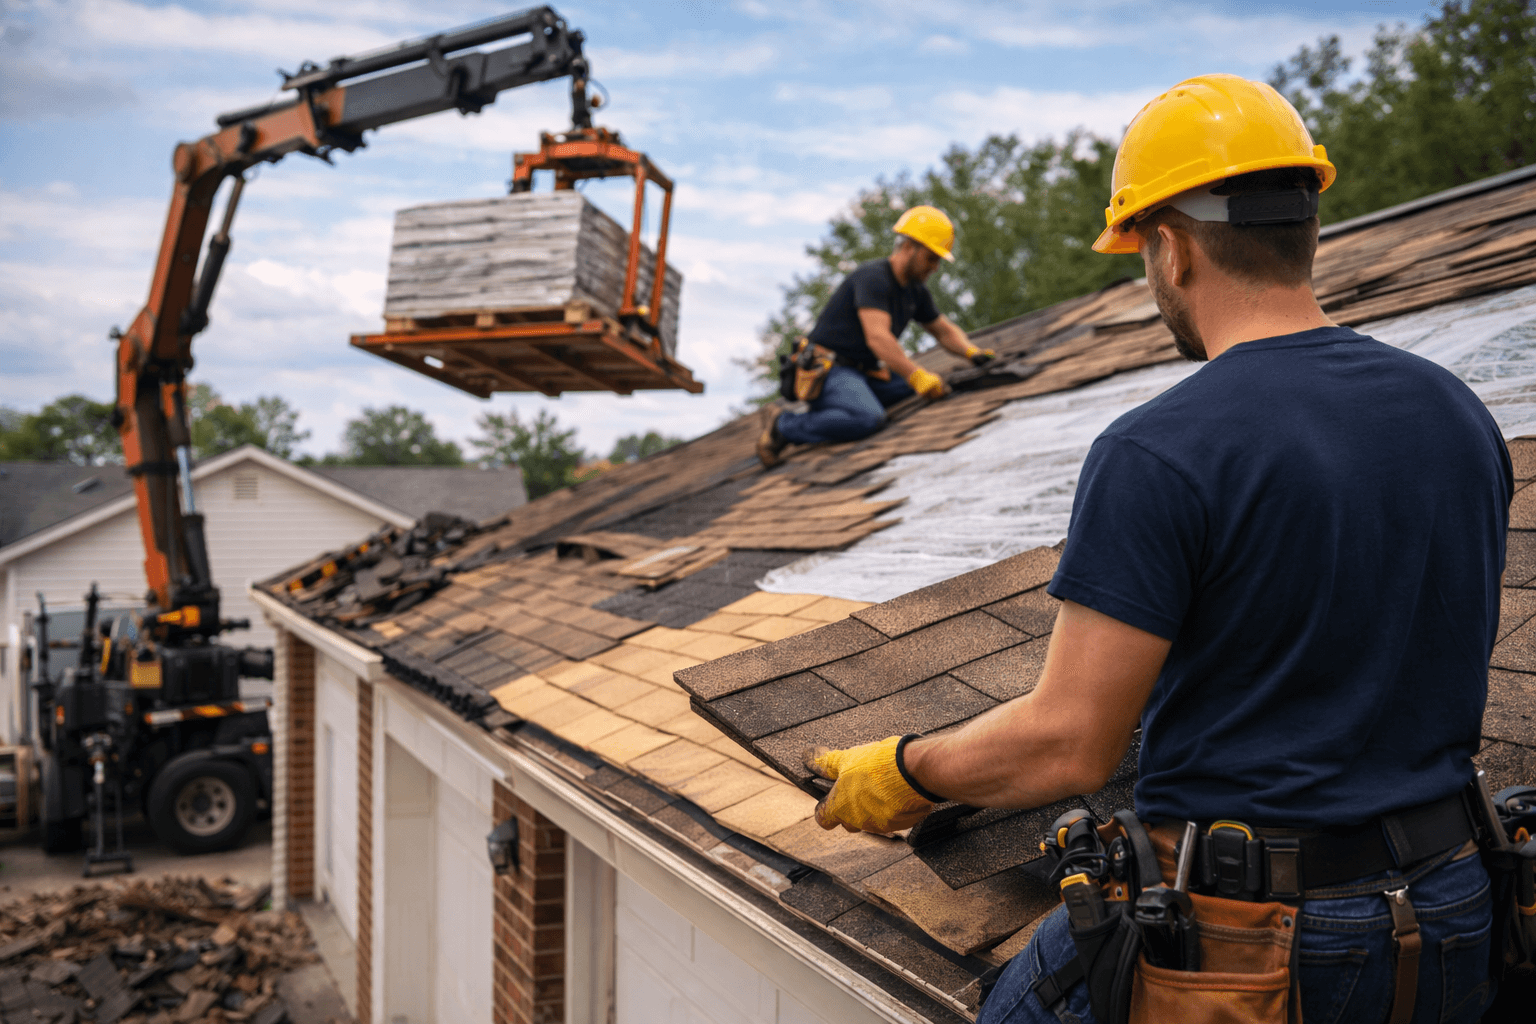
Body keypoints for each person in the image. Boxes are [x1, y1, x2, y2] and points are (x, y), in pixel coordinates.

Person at [804, 74, 1511, 1024]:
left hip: (1255, 942)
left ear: (1171, 249)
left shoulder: (1159, 448)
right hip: (1457, 910)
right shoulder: (1460, 415)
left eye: (1140, 250)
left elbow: (1069, 743)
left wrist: (902, 769)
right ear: (1306, 228)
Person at [756, 205, 994, 467]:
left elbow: (942, 330)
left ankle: (844, 406)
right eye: (931, 258)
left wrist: (972, 352)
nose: (935, 267)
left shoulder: (915, 291)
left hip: (865, 374)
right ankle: (783, 425)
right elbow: (878, 338)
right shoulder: (874, 278)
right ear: (909, 247)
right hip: (831, 371)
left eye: (938, 260)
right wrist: (915, 375)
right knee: (868, 418)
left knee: (935, 385)